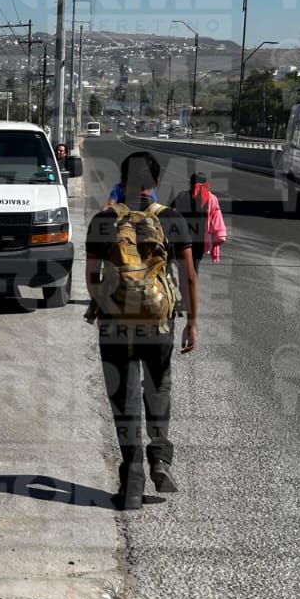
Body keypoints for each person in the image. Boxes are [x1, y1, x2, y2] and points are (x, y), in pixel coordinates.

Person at [86, 151, 198, 510]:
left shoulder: (103, 219)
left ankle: (132, 481)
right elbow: (189, 275)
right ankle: (160, 458)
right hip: (158, 324)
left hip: (116, 324)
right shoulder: (173, 219)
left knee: (124, 400)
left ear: (121, 181)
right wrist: (193, 320)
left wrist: (103, 303)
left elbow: (91, 278)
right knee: (158, 388)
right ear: (157, 182)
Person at [169, 173, 227, 272]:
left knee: (183, 268)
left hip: (182, 239)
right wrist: (217, 239)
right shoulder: (212, 199)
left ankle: (185, 286)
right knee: (194, 268)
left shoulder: (182, 195)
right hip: (199, 241)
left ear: (191, 183)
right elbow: (217, 221)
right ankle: (193, 285)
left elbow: (170, 212)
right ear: (206, 184)